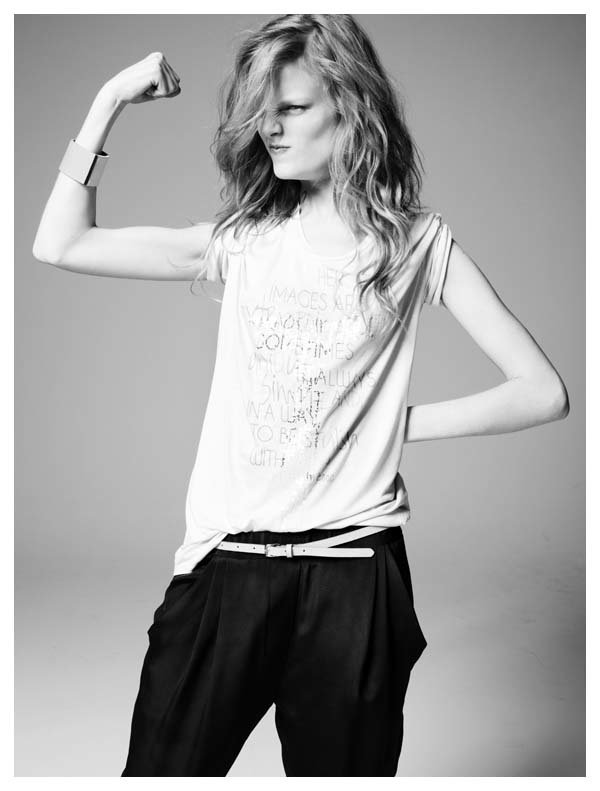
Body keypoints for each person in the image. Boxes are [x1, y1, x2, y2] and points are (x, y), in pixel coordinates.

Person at [32, 14, 569, 778]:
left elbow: (542, 391)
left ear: (351, 108)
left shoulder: (416, 244)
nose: (270, 128)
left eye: (291, 108)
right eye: (264, 111)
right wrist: (108, 100)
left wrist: (393, 424)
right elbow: (60, 244)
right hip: (227, 569)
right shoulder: (245, 238)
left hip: (354, 574)